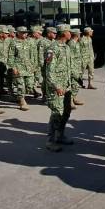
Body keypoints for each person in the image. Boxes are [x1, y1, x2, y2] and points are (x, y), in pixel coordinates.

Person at [43, 24, 74, 152]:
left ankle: (60, 135)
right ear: (64, 33)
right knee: (56, 113)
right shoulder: (52, 48)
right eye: (69, 31)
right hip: (56, 87)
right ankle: (50, 141)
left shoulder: (66, 47)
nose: (70, 33)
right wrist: (56, 86)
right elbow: (49, 71)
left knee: (66, 112)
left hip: (66, 86)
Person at [8, 26, 35, 111]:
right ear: (18, 33)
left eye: (26, 32)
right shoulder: (14, 42)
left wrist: (34, 66)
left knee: (30, 85)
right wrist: (13, 67)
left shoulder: (29, 42)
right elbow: (11, 56)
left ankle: (20, 96)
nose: (25, 34)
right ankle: (22, 101)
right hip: (18, 67)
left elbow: (32, 55)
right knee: (21, 85)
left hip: (28, 67)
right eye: (23, 32)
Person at [68, 29, 85, 107]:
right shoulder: (71, 43)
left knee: (77, 83)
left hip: (78, 66)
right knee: (73, 83)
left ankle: (74, 98)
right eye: (79, 34)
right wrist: (72, 68)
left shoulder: (76, 43)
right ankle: (70, 100)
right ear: (77, 34)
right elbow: (70, 57)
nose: (80, 35)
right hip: (73, 66)